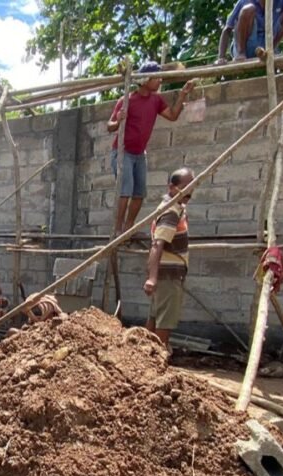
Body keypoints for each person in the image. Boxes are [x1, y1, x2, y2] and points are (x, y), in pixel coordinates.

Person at [107, 62, 194, 236]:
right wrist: (118, 120)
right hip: (123, 152)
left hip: (139, 154)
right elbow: (110, 126)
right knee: (125, 191)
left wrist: (183, 94)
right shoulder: (127, 100)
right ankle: (117, 229)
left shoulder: (156, 100)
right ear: (145, 80)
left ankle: (128, 228)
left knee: (139, 193)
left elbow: (172, 116)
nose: (160, 80)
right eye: (156, 77)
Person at [144, 167, 195, 348]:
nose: (190, 190)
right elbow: (157, 245)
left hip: (168, 275)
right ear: (172, 188)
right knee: (164, 322)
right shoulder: (171, 212)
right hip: (167, 276)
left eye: (192, 185)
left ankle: (142, 357)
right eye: (185, 186)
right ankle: (156, 360)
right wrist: (152, 278)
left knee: (156, 317)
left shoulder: (176, 207)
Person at [217, 0, 283, 63]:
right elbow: (227, 30)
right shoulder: (245, 1)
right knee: (248, 9)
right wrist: (221, 57)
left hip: (268, 42)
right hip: (247, 44)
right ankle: (241, 52)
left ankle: (273, 48)